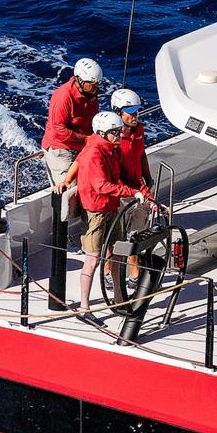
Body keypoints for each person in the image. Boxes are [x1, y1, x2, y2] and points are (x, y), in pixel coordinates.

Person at [75, 111, 151, 324]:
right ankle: (84, 308)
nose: (119, 136)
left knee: (116, 254)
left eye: (119, 131)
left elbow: (120, 176)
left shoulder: (111, 150)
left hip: (110, 208)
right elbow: (101, 185)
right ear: (102, 132)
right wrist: (131, 192)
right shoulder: (94, 154)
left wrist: (142, 190)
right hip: (96, 212)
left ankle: (118, 299)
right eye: (115, 132)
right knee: (92, 259)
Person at [102, 89, 153, 291]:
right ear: (118, 112)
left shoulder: (139, 130)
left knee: (135, 234)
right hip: (121, 193)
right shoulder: (113, 137)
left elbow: (141, 155)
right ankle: (107, 270)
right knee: (115, 237)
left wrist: (147, 178)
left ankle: (134, 271)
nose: (135, 116)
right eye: (130, 112)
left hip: (138, 190)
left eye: (137, 111)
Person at [41, 57, 103, 185]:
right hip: (62, 148)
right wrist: (86, 139)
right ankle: (60, 204)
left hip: (83, 145)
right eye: (92, 83)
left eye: (97, 83)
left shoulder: (90, 92)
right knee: (68, 189)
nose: (95, 87)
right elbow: (59, 130)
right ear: (79, 80)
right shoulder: (63, 97)